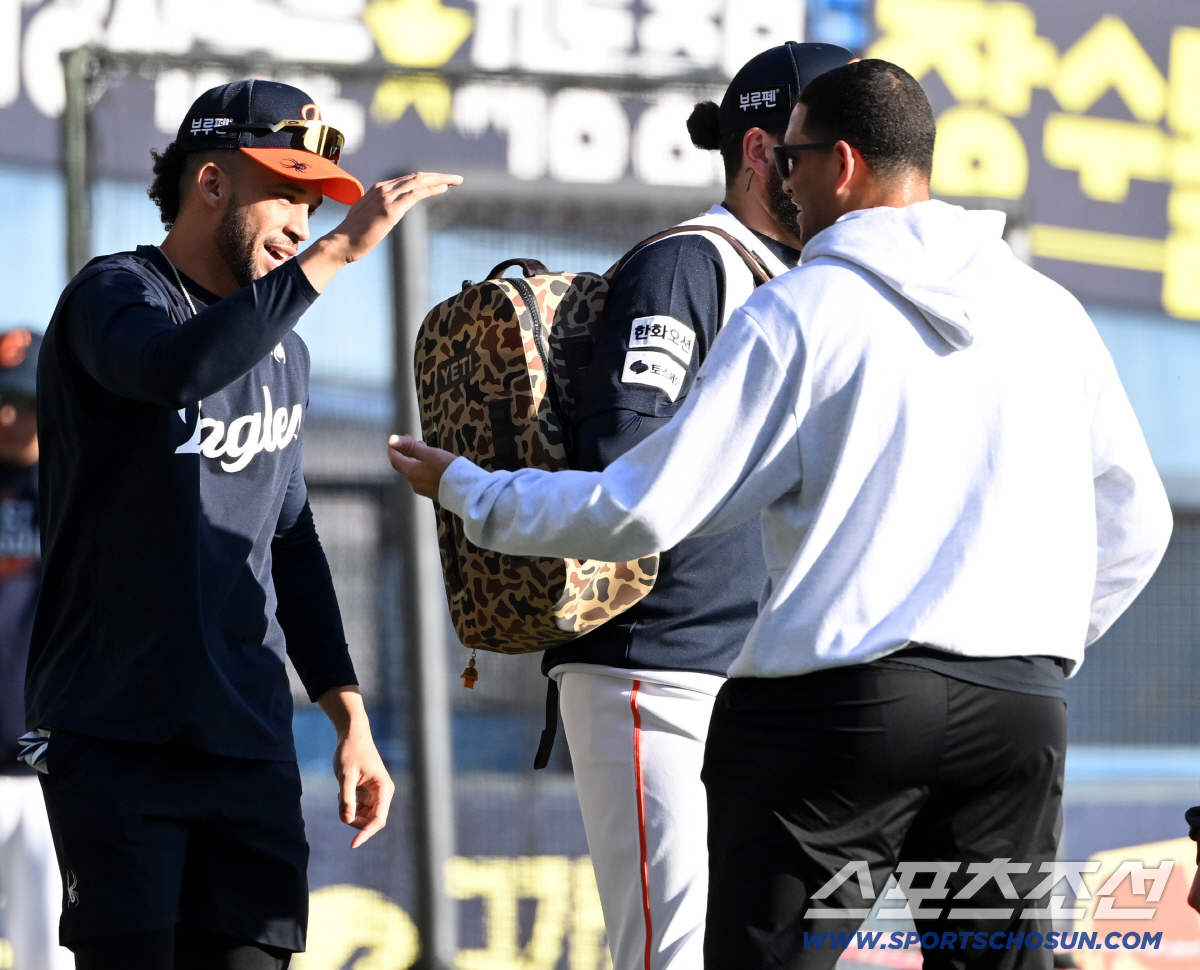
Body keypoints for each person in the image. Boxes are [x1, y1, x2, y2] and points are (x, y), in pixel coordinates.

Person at [387, 59, 1172, 970]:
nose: (778, 181)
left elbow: (643, 504)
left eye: (791, 160)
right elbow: (1138, 522)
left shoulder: (802, 308)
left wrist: (471, 489)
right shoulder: (1049, 309)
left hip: (839, 712)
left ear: (841, 164)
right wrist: (1031, 643)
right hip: (1019, 711)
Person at [24, 79, 460, 968]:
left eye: (317, 199)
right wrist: (341, 249)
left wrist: (348, 714)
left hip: (249, 746)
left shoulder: (285, 352)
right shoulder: (114, 295)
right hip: (116, 739)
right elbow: (171, 368)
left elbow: (288, 541)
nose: (304, 216)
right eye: (288, 191)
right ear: (211, 181)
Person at [532, 41, 851, 970]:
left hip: (752, 676)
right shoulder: (688, 265)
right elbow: (623, 449)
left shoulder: (813, 287)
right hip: (656, 667)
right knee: (667, 955)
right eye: (820, 142)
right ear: (763, 153)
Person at [0, 329, 72, 970]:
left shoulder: (78, 492)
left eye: (19, 400)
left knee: (46, 957)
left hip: (48, 765)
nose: (5, 416)